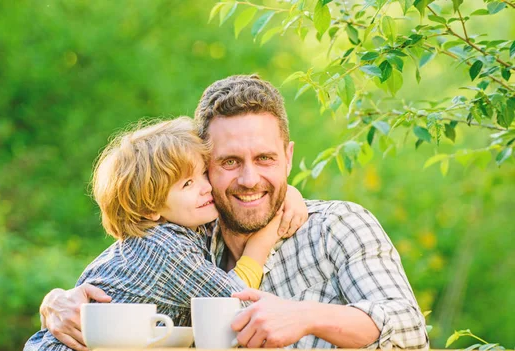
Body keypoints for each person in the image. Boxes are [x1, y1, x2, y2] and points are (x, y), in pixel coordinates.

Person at [38, 75, 429, 350]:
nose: (249, 178)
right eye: (229, 162)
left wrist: (307, 316)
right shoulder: (190, 234)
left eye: (265, 158)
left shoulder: (337, 226)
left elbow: (411, 332)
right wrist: (57, 301)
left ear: (288, 157)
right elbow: (110, 277)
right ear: (203, 165)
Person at [23, 117, 308, 351]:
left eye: (202, 175)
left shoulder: (186, 223)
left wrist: (287, 193)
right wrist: (264, 238)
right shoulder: (164, 248)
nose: (205, 188)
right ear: (150, 209)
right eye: (187, 184)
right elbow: (234, 306)